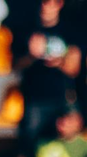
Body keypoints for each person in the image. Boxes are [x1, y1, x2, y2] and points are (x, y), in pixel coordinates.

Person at [13, 0, 83, 145]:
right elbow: (15, 66)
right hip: (34, 99)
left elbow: (74, 69)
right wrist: (31, 55)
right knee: (32, 146)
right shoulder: (27, 29)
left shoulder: (70, 29)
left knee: (64, 148)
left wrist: (59, 61)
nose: (45, 6)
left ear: (60, 4)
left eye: (51, 2)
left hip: (62, 99)